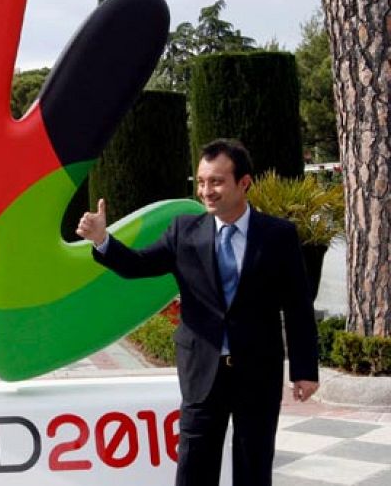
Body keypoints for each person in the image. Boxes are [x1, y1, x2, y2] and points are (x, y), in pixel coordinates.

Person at [76, 139, 319, 486]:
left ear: (244, 183)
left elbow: (297, 306)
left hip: (257, 371)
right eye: (202, 181)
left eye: (217, 182)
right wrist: (103, 240)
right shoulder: (184, 231)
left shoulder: (278, 235)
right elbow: (137, 265)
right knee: (193, 468)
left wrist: (304, 370)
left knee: (254, 465)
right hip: (202, 371)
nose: (206, 191)